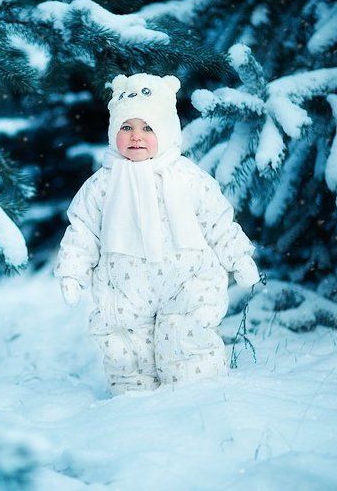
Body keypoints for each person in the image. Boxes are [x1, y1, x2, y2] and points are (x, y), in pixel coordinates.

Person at [54, 73, 260, 395]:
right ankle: (134, 403)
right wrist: (72, 272)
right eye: (126, 127)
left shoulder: (187, 177)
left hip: (185, 278)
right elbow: (82, 231)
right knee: (125, 343)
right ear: (113, 132)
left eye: (147, 127)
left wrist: (239, 257)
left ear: (166, 131)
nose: (136, 137)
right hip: (123, 286)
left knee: (187, 337)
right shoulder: (101, 185)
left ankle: (196, 395)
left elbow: (217, 221)